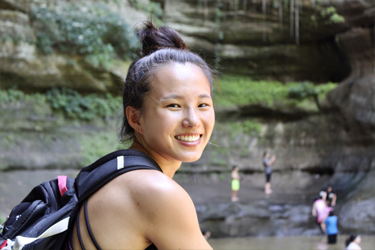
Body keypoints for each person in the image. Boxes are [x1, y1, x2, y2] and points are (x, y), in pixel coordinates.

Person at [69, 21, 215, 250]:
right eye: (174, 105)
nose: (193, 120)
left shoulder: (113, 172)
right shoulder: (157, 192)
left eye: (203, 104)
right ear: (136, 118)